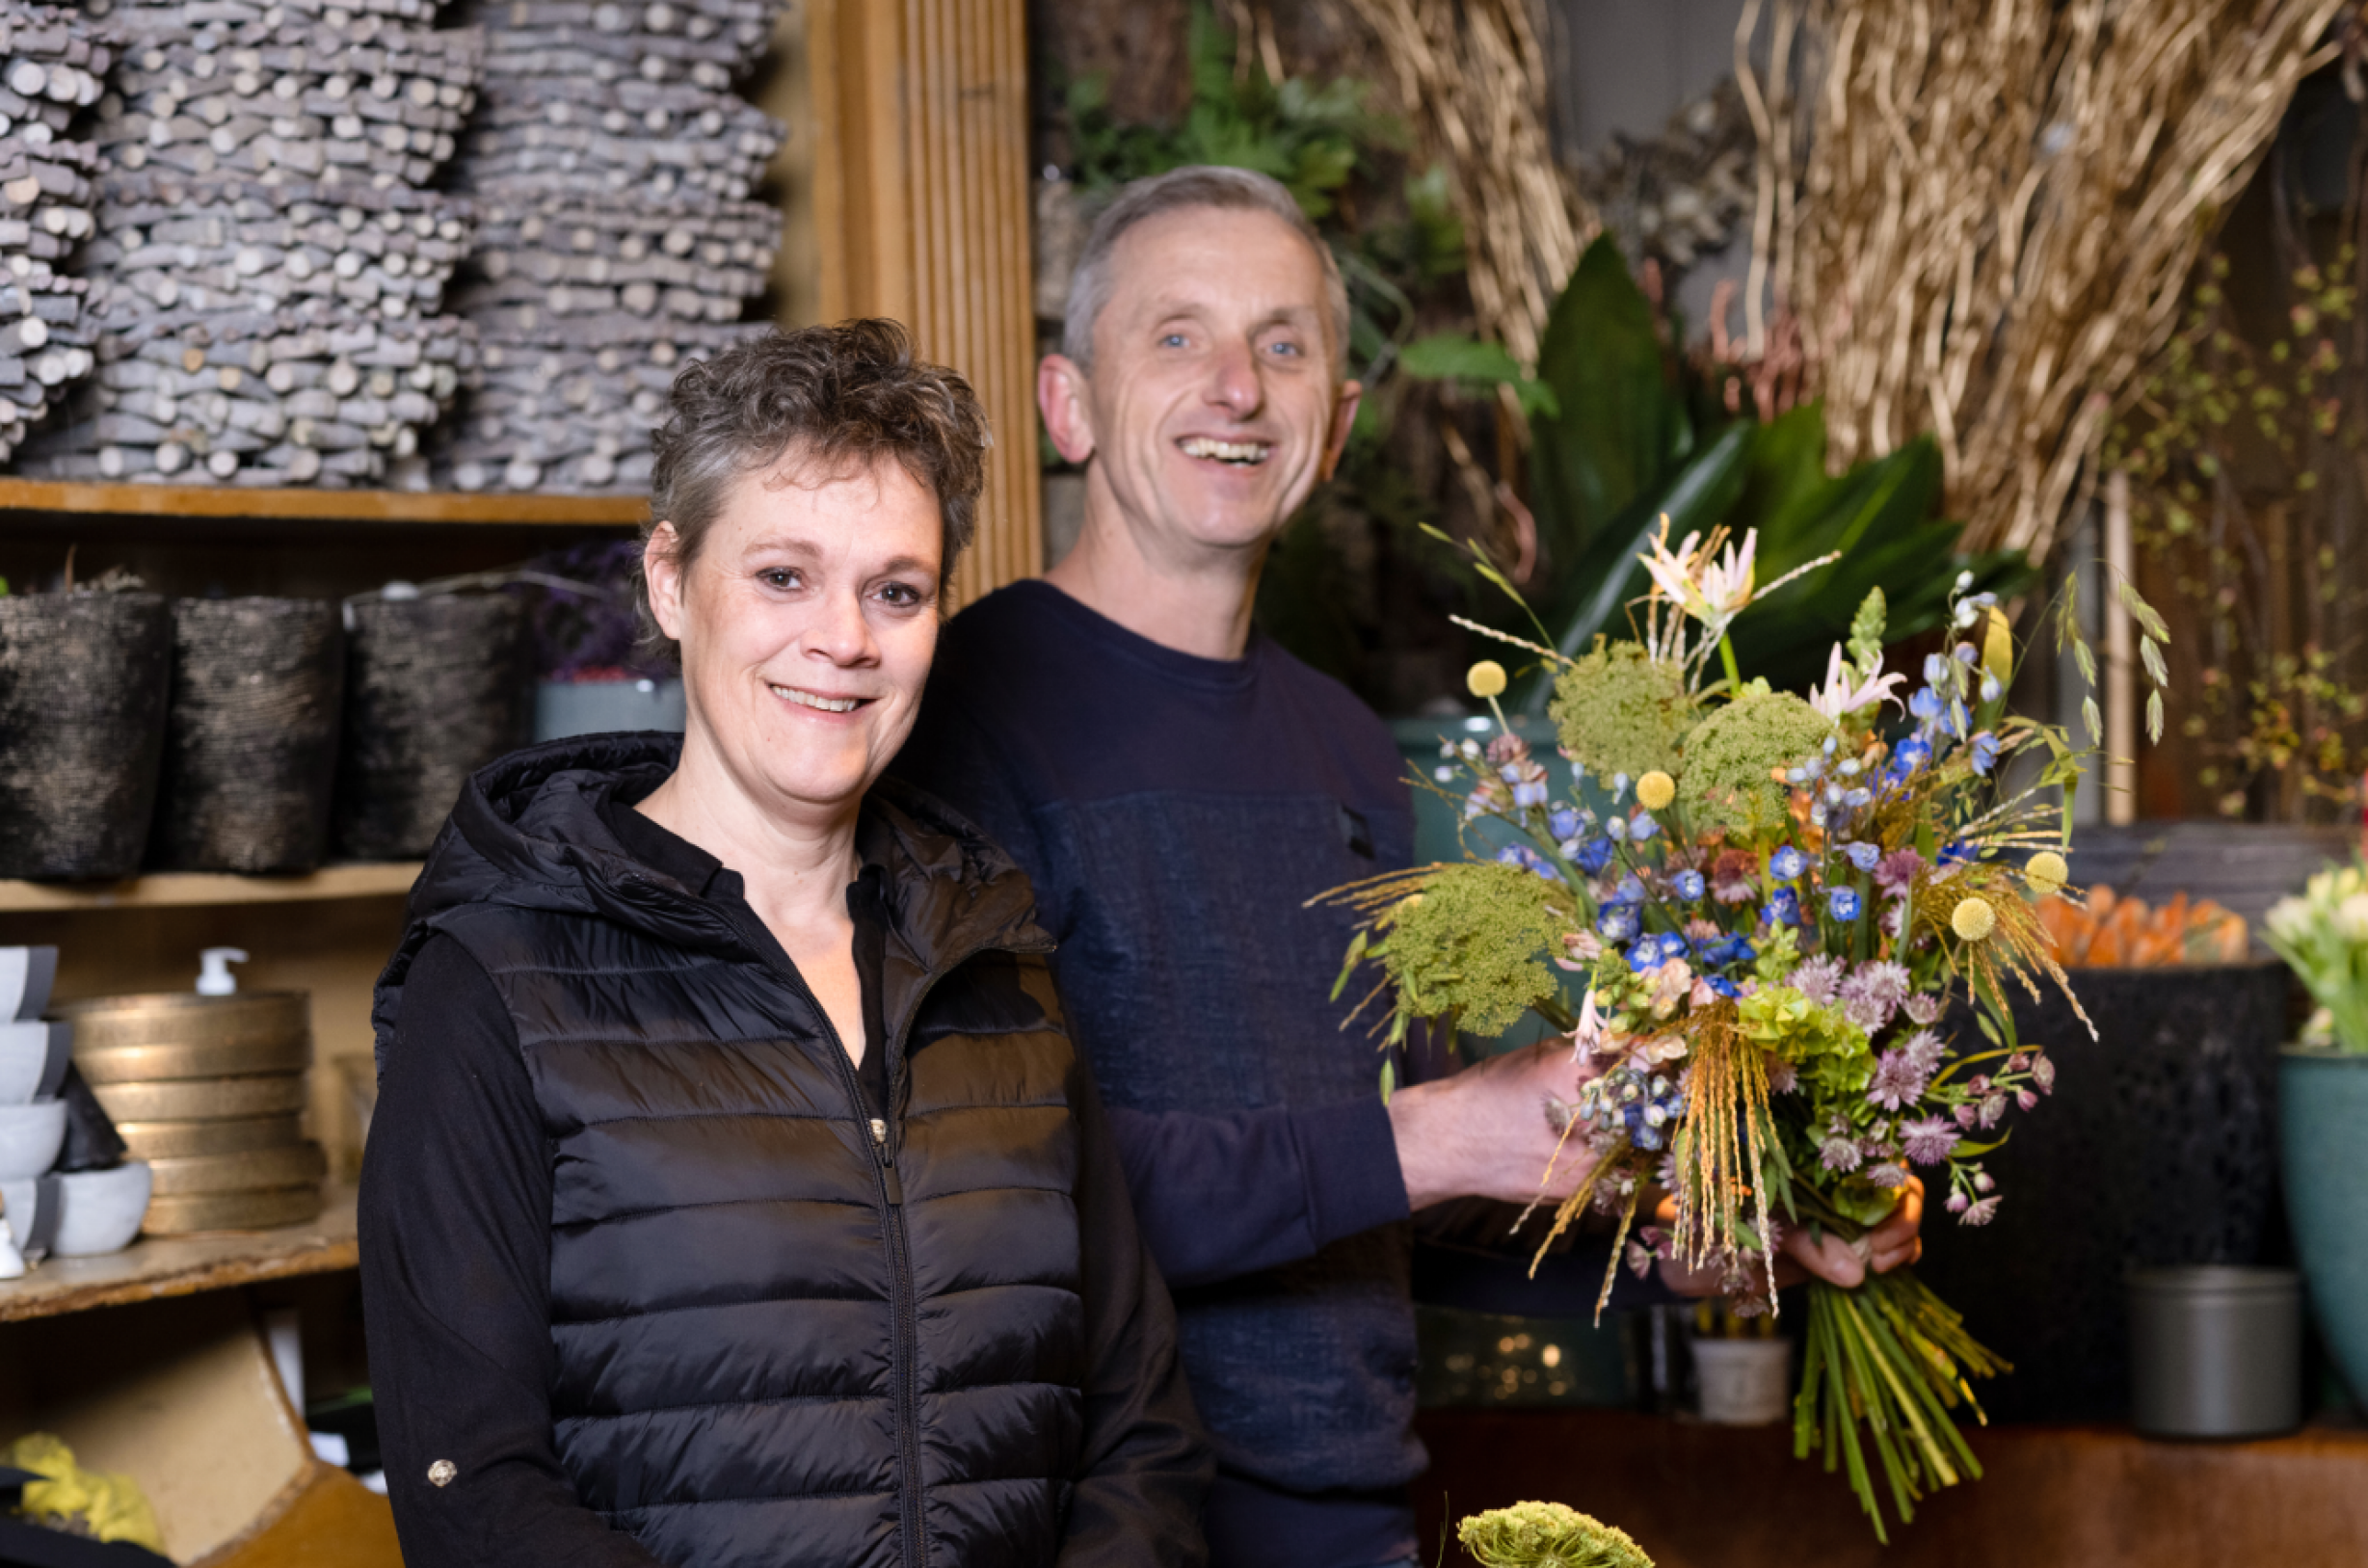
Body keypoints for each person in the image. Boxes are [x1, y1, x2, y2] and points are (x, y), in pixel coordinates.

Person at [890, 167, 1924, 1568]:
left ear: (1337, 426)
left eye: (1283, 344)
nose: (1237, 387)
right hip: (1094, 1534)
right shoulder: (958, 709)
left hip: (1357, 1520)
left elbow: (1389, 1206)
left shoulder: (1348, 747)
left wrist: (1688, 1233)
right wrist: (1430, 1134)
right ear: (1066, 405)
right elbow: (992, 1195)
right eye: (1178, 335)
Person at [358, 320, 1210, 1568]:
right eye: (783, 576)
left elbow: (1143, 1433)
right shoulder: (493, 979)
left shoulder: (998, 959)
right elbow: (471, 1492)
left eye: (896, 590)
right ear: (669, 581)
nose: (846, 639)